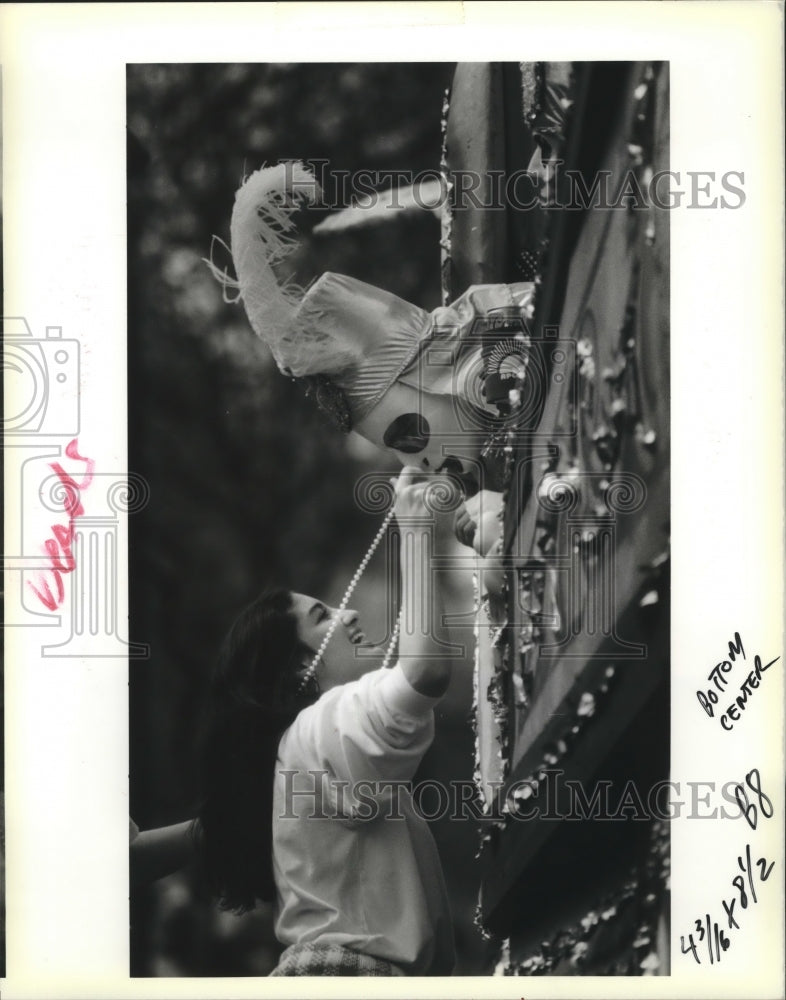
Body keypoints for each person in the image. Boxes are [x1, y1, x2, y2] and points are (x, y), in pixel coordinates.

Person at [195, 467, 457, 976]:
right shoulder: (319, 731)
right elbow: (425, 670)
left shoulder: (297, 754)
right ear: (297, 666)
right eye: (322, 616)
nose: (348, 615)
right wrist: (417, 527)